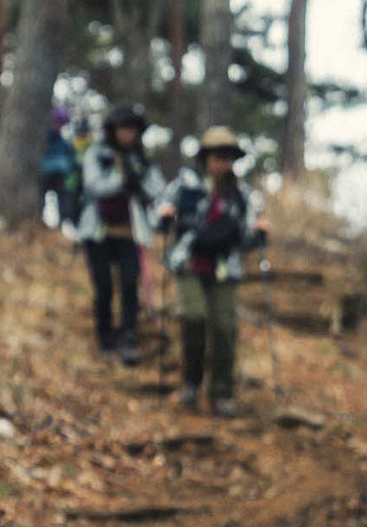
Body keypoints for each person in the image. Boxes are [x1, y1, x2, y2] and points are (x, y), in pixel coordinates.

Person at [162, 126, 268, 417]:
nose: (223, 163)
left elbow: (247, 236)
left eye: (228, 157)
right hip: (189, 261)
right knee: (193, 318)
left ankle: (221, 392)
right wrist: (166, 217)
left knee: (224, 328)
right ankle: (191, 383)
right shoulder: (185, 186)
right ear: (205, 157)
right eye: (217, 156)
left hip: (225, 266)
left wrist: (258, 233)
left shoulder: (244, 195)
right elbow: (162, 211)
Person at [76, 104, 169, 366]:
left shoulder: (142, 160)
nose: (128, 134)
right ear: (113, 130)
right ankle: (105, 338)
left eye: (132, 130)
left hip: (131, 233)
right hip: (97, 232)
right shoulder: (98, 154)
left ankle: (129, 338)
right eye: (123, 129)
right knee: (103, 286)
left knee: (130, 285)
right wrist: (121, 181)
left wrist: (138, 182)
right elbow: (92, 185)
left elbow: (157, 190)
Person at [39, 105, 80, 228]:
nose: (59, 126)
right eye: (57, 122)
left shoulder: (64, 143)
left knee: (64, 200)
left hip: (61, 176)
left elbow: (71, 159)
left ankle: (62, 224)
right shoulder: (43, 138)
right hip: (44, 175)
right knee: (42, 199)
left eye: (61, 123)